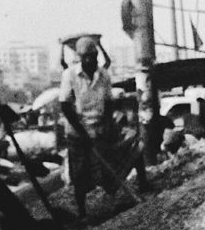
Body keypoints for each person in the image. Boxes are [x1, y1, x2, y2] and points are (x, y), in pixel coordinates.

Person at [59, 36, 144, 220]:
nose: (90, 60)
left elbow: (108, 103)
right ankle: (82, 214)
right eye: (86, 57)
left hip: (99, 128)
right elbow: (66, 107)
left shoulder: (103, 75)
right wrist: (82, 134)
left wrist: (107, 125)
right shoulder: (69, 75)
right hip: (77, 133)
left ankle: (143, 186)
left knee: (128, 148)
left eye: (93, 56)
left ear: (97, 55)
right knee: (80, 174)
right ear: (80, 58)